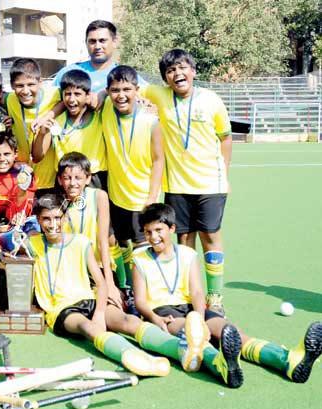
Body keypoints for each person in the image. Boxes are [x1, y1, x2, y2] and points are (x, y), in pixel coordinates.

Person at [133, 203, 322, 387]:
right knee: (193, 339)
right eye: (148, 232)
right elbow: (140, 301)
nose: (153, 236)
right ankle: (221, 365)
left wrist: (198, 318)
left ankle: (288, 361)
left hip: (193, 309)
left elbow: (197, 291)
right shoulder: (140, 258)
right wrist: (154, 318)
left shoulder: (187, 254)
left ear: (172, 228)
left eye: (159, 230)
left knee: (232, 332)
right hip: (164, 313)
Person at [30, 194, 211, 377]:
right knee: (88, 327)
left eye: (57, 218)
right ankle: (137, 358)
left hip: (90, 300)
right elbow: (6, 249)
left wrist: (100, 313)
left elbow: (101, 284)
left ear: (66, 217)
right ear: (38, 220)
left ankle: (181, 350)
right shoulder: (31, 244)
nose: (52, 224)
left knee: (129, 321)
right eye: (46, 219)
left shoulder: (81, 242)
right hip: (61, 309)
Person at [139, 49, 231, 314]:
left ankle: (214, 297)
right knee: (183, 241)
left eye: (182, 68)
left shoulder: (211, 100)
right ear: (165, 79)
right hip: (177, 186)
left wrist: (224, 173)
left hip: (210, 185)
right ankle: (188, 294)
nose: (177, 74)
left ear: (193, 71)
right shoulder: (160, 95)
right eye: (170, 71)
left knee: (210, 236)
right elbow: (128, 84)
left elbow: (225, 139)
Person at [102, 65, 164, 292]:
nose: (121, 95)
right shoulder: (106, 108)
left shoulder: (151, 121)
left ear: (137, 90)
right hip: (116, 195)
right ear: (108, 91)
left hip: (142, 198)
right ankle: (126, 286)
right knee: (120, 243)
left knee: (143, 245)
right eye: (115, 90)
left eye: (127, 89)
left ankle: (149, 291)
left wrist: (152, 196)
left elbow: (158, 160)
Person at [34, 69, 107, 191]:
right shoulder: (56, 121)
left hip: (94, 179)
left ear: (88, 96)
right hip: (65, 180)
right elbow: (37, 157)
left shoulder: (99, 116)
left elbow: (109, 90)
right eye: (67, 94)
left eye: (77, 94)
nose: (72, 99)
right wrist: (42, 134)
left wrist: (102, 94)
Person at [5, 58, 61, 195]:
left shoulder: (54, 95)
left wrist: (47, 116)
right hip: (22, 177)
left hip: (50, 179)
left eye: (31, 84)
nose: (25, 91)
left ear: (40, 82)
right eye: (19, 85)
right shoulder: (9, 100)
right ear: (12, 85)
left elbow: (67, 102)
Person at [53, 20, 144, 92]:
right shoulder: (68, 72)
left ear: (114, 42)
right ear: (86, 43)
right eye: (92, 41)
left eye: (102, 41)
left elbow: (150, 93)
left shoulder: (126, 75)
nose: (97, 47)